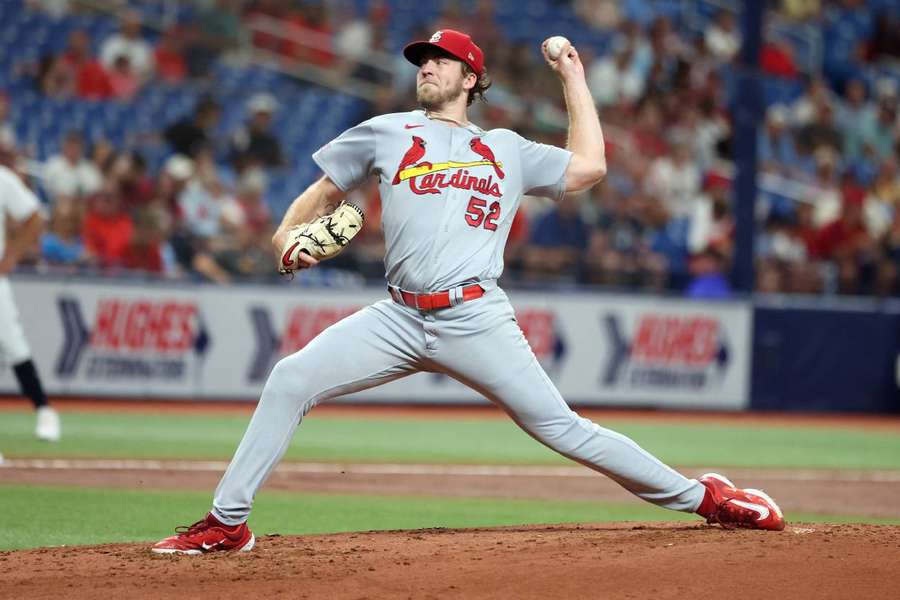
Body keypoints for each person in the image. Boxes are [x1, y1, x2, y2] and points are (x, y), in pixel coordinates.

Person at [152, 29, 785, 555]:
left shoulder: (506, 148)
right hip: (397, 316)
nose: (426, 66)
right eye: (421, 60)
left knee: (561, 428)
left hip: (475, 315)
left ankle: (708, 499)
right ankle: (227, 523)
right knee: (290, 378)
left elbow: (590, 167)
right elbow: (324, 189)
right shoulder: (386, 131)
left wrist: (573, 78)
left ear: (471, 78)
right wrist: (284, 236)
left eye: (440, 59)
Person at [0, 151, 60, 441]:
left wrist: (12, 256)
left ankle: (45, 411)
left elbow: (35, 217)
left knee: (13, 344)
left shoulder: (3, 179)